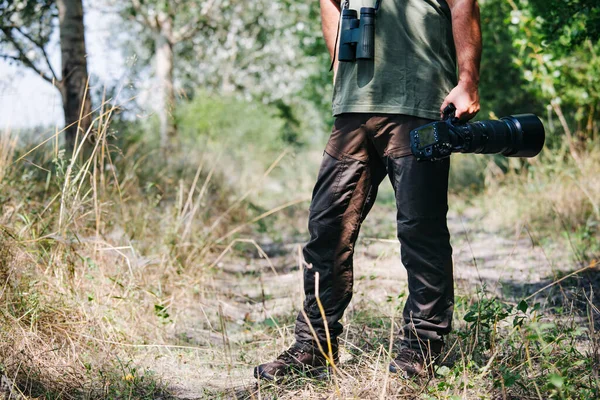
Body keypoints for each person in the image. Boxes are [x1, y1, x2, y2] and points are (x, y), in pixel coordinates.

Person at [255, 0, 481, 380]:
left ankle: (422, 350)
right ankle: (314, 345)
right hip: (354, 108)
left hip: (420, 101)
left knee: (419, 231)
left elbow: (463, 3)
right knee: (326, 229)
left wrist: (467, 80)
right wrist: (339, 68)